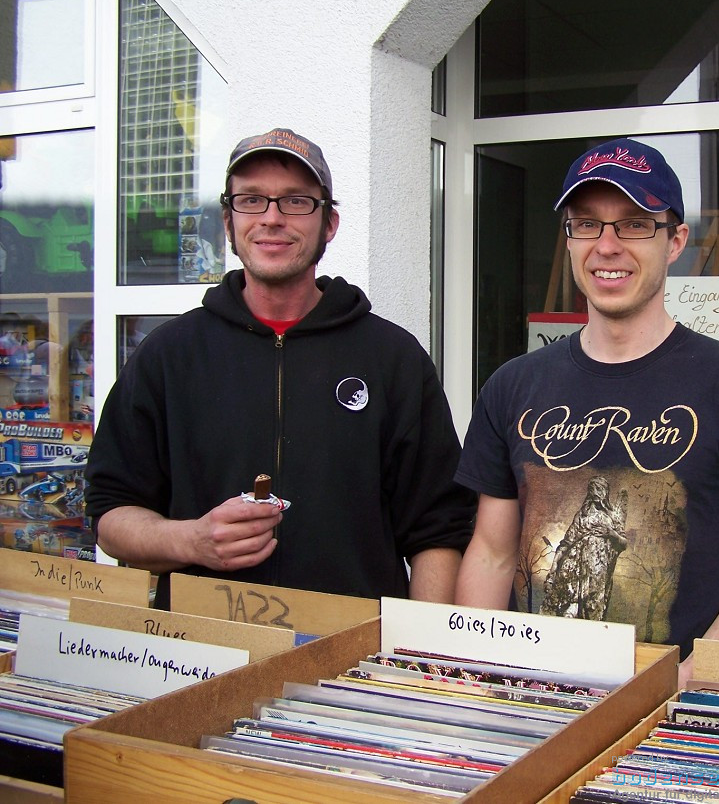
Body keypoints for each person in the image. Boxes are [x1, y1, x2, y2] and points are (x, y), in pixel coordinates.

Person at [453, 138, 719, 685]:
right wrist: (475, 672)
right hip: (528, 694)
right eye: (587, 224)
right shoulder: (513, 385)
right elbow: (492, 551)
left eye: (634, 223)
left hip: (666, 703)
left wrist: (695, 674)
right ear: (570, 240)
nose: (607, 245)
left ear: (676, 241)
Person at [86, 128, 476, 608]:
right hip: (202, 653)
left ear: (329, 223)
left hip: (348, 656)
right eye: (251, 200)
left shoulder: (393, 358)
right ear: (228, 221)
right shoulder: (169, 355)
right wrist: (191, 540)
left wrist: (411, 654)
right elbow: (110, 516)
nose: (271, 218)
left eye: (295, 201)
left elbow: (438, 528)